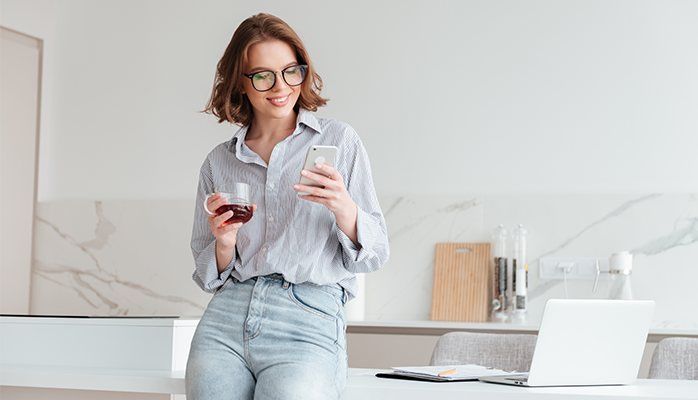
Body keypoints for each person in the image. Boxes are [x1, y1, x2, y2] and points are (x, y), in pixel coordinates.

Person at [185, 13, 390, 400]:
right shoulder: (219, 161)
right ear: (240, 83)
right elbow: (207, 273)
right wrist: (224, 241)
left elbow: (376, 253)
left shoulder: (339, 140)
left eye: (290, 71)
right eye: (262, 75)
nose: (280, 87)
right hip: (227, 316)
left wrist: (343, 207)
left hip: (308, 314)